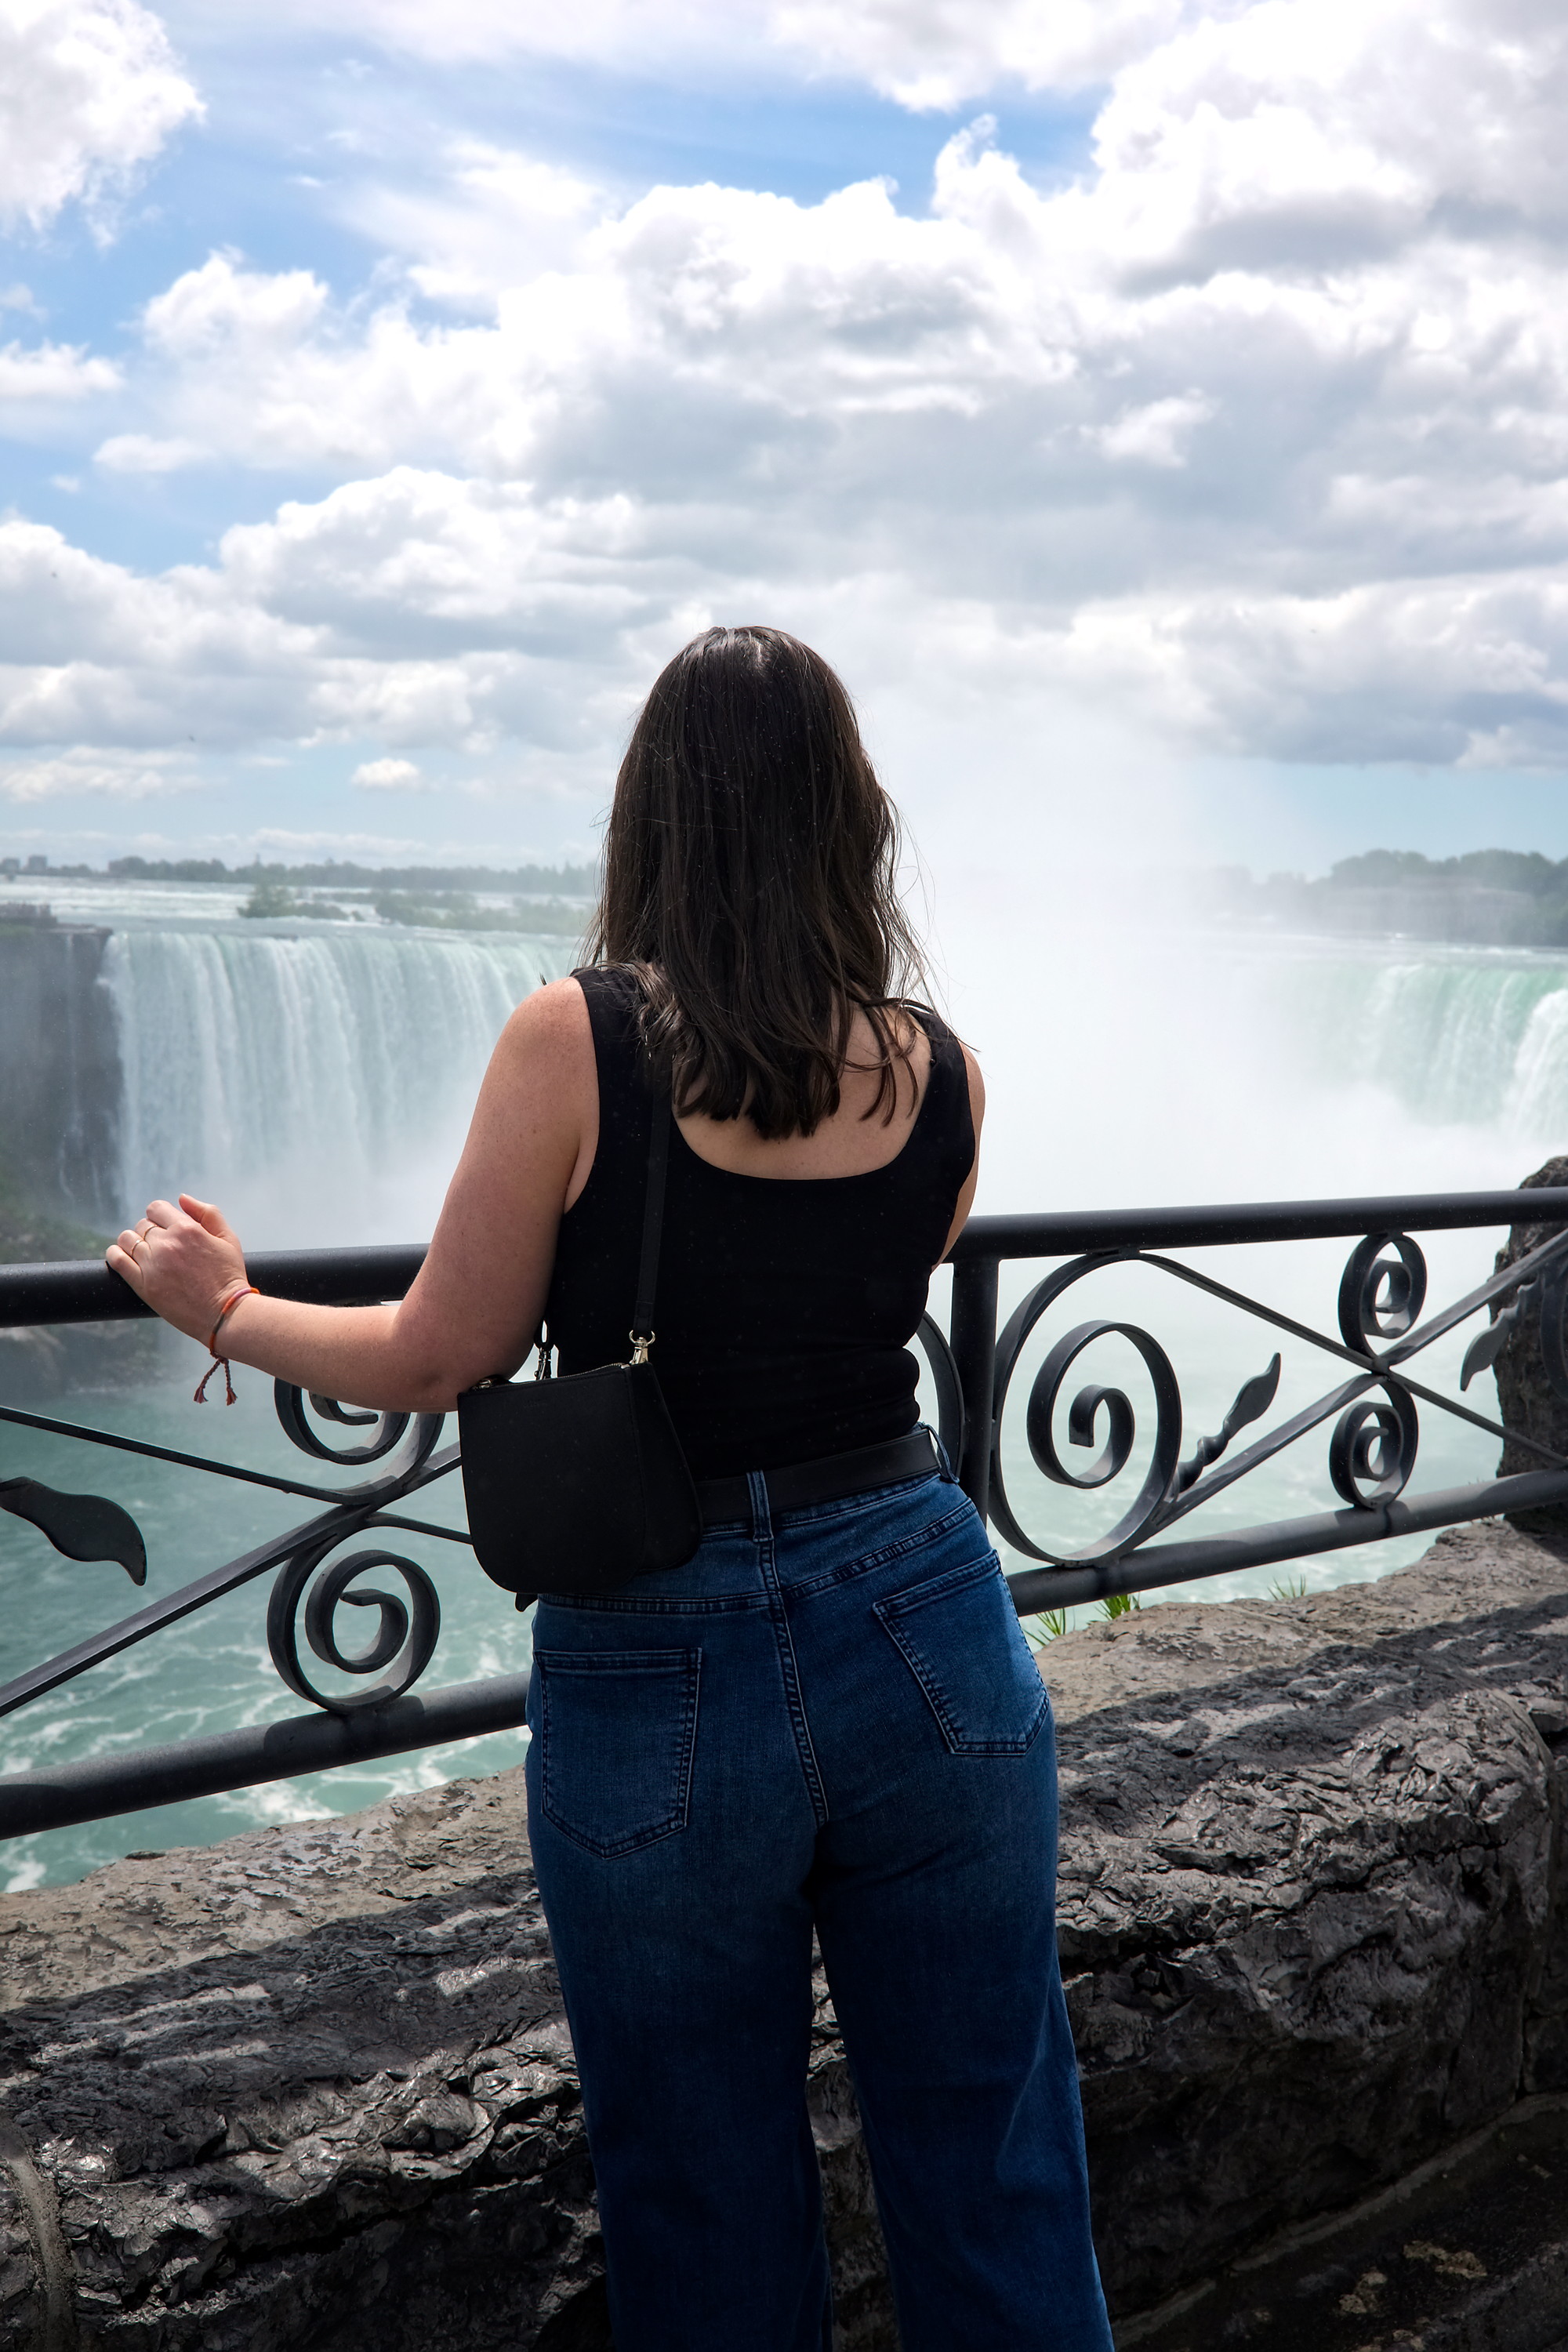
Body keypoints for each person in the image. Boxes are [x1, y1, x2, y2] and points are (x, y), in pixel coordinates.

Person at [107, 626, 1113, 2352]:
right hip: (931, 1614)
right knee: (997, 2170)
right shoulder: (939, 1068)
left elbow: (441, 1354)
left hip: (668, 1645)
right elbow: (883, 1274)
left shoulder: (578, 1037)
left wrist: (229, 1307)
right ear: (847, 824)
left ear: (650, 818)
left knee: (703, 2191)